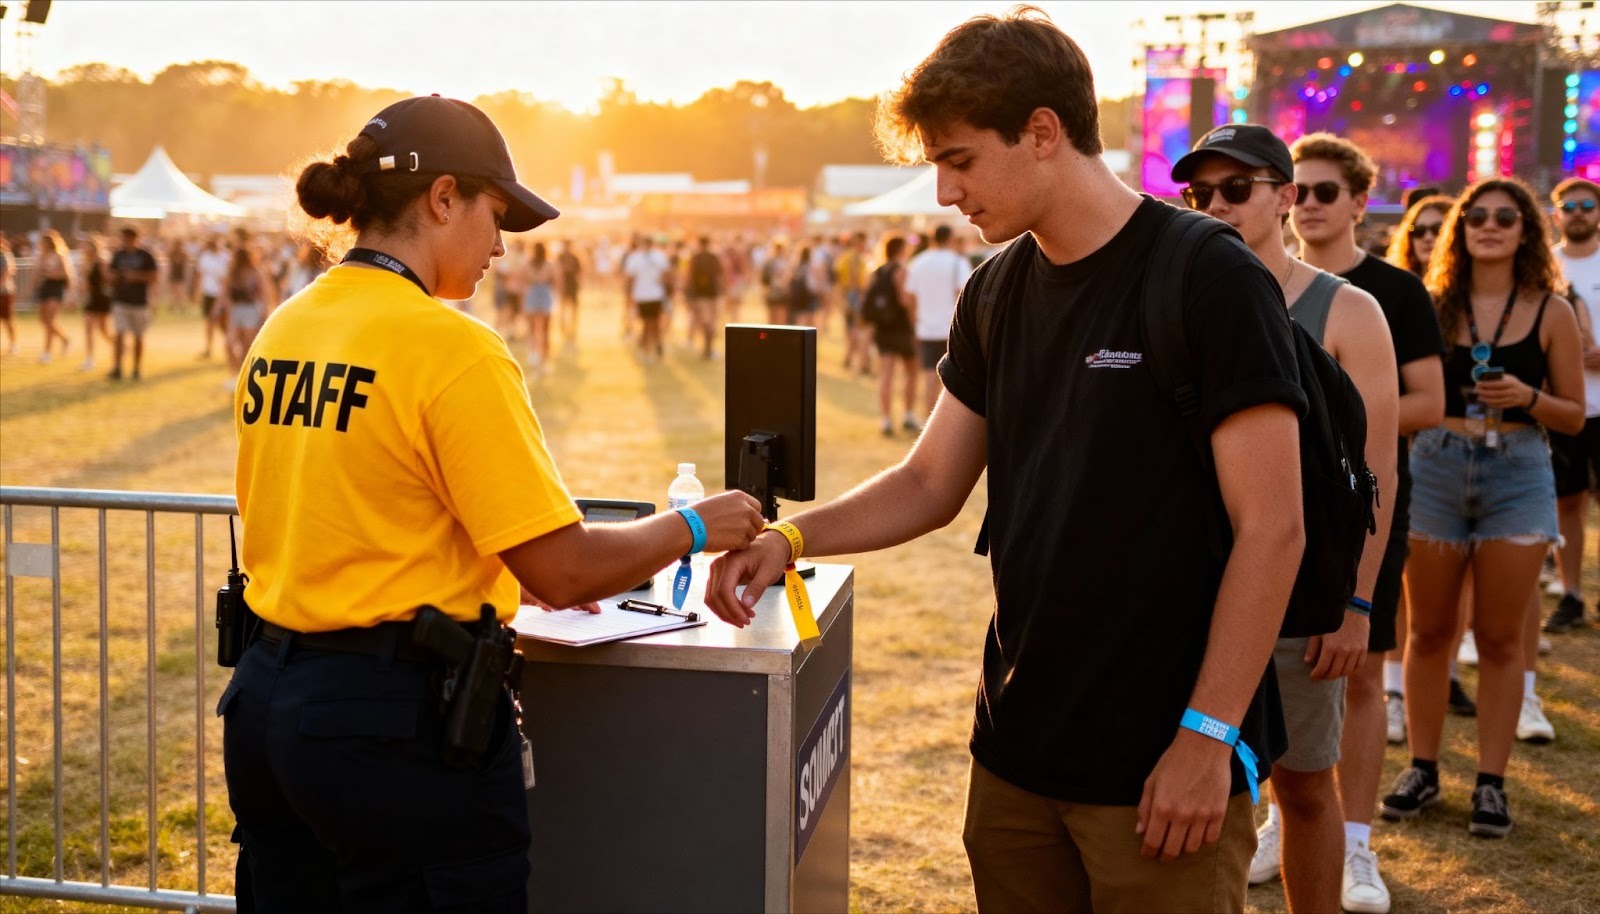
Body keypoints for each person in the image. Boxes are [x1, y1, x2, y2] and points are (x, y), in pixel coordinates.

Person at [709, 9, 1304, 911]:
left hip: (1163, 761)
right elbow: (927, 483)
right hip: (1018, 748)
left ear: (1042, 132)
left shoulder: (1208, 275)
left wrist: (1207, 736)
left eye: (959, 160)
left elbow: (1275, 528)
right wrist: (789, 539)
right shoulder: (994, 290)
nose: (945, 193)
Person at [224, 94, 764, 912]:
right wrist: (695, 524)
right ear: (443, 198)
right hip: (390, 727)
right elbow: (560, 569)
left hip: (268, 700)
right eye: (496, 214)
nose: (503, 248)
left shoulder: (288, 325)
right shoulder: (449, 345)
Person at [1173, 124, 1399, 914]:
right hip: (1194, 592)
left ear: (1286, 196)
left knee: (1304, 788)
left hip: (1304, 595)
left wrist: (1359, 603)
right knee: (1204, 791)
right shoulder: (1178, 295)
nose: (1217, 206)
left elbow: (1377, 472)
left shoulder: (1349, 310)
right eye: (1201, 194)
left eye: (1238, 189)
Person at [1379, 177, 1583, 840]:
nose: (1489, 225)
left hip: (1519, 470)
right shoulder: (1431, 304)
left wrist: (1526, 396)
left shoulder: (1552, 309)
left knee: (1498, 637)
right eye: (1477, 217)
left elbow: (1576, 417)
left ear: (1526, 229)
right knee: (1430, 632)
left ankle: (1490, 784)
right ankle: (1423, 768)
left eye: (1506, 216)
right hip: (1436, 465)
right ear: (1462, 231)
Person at [1288, 132, 1446, 913]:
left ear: (1359, 201)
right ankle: (1279, 828)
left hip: (1366, 506)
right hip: (1273, 517)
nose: (1309, 204)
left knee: (1354, 674)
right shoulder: (1250, 284)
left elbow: (1428, 402)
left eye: (1326, 191)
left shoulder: (1392, 294)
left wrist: (1343, 414)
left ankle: (1355, 845)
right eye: (1299, 189)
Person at [1544, 177, 1600, 634]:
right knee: (1567, 504)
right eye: (1570, 205)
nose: (1578, 212)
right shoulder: (1547, 267)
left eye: (1587, 204)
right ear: (1555, 213)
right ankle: (1571, 595)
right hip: (1564, 404)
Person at [903, 224, 972, 422]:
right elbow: (963, 294)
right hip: (952, 328)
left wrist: (915, 322)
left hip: (925, 328)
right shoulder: (957, 262)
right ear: (950, 238)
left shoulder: (918, 262)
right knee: (953, 380)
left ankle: (928, 420)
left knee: (929, 377)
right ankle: (945, 424)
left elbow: (910, 298)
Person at [865, 233, 918, 437]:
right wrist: (915, 323)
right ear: (900, 250)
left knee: (886, 375)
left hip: (882, 328)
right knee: (910, 372)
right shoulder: (901, 271)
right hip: (901, 328)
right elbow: (905, 301)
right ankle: (908, 415)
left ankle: (886, 419)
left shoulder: (876, 271)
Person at [108, 226, 158, 381]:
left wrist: (135, 276)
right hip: (121, 299)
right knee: (119, 334)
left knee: (138, 336)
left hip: (139, 301)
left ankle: (136, 368)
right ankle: (117, 367)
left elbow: (153, 277)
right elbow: (110, 274)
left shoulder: (146, 256)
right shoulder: (118, 255)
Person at [223, 246, 276, 382]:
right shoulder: (232, 273)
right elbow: (226, 293)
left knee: (247, 344)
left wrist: (265, 312)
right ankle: (235, 373)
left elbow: (264, 294)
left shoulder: (255, 272)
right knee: (229, 344)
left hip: (251, 310)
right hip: (236, 310)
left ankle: (246, 375)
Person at [621, 234, 670, 362]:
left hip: (650, 294)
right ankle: (650, 348)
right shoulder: (643, 257)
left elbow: (665, 275)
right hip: (647, 295)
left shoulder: (644, 257)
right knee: (650, 323)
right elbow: (631, 278)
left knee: (651, 323)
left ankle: (652, 346)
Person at [33, 229, 75, 363]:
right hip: (44, 288)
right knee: (44, 320)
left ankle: (47, 352)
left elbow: (66, 275)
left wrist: (52, 274)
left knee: (50, 320)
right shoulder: (41, 256)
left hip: (56, 289)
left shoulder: (59, 256)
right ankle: (65, 339)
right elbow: (37, 274)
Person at [685, 235, 724, 360]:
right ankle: (708, 349)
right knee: (710, 322)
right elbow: (721, 275)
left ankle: (707, 349)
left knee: (706, 322)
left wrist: (688, 294)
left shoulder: (695, 258)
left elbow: (689, 277)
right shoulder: (714, 257)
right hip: (711, 294)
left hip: (700, 295)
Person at [194, 235, 233, 359]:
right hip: (208, 293)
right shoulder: (205, 257)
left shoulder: (226, 257)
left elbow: (226, 279)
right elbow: (200, 275)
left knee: (224, 324)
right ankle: (209, 348)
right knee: (209, 322)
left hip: (221, 295)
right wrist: (198, 292)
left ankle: (231, 347)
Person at [79, 238, 114, 372]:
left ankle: (118, 346)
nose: (85, 250)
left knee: (103, 329)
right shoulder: (86, 262)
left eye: (87, 247)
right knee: (88, 328)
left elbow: (107, 279)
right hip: (91, 297)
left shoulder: (102, 261)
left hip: (102, 297)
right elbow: (85, 281)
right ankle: (89, 359)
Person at [523, 240, 556, 374]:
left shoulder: (529, 265)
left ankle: (536, 355)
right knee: (545, 330)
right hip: (543, 293)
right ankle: (542, 358)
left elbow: (525, 278)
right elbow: (553, 280)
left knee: (534, 329)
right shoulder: (548, 265)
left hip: (534, 293)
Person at [556, 238, 582, 351]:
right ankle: (564, 327)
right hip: (564, 286)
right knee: (563, 308)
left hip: (572, 285)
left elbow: (579, 272)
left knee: (573, 309)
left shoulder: (574, 257)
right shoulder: (560, 257)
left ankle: (572, 328)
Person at [1, 235, 19, 356]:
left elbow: (8, 270)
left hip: (5, 291)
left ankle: (13, 344)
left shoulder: (4, 254)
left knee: (7, 319)